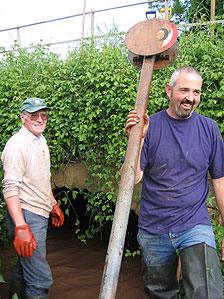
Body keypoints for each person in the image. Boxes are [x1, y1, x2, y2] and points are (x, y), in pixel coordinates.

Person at [125, 66, 224, 298]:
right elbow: (132, 178)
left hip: (194, 224)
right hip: (154, 228)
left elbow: (219, 181)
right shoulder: (150, 127)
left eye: (196, 92)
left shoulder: (209, 129)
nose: (191, 98)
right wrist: (136, 141)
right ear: (168, 90)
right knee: (160, 293)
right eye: (184, 90)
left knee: (207, 292)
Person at [1, 98, 64, 299]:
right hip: (27, 216)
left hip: (39, 212)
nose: (39, 119)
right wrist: (21, 227)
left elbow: (42, 178)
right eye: (33, 115)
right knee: (39, 279)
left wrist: (52, 203)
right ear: (23, 117)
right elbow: (10, 188)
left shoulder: (40, 140)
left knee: (24, 266)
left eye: (43, 115)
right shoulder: (16, 145)